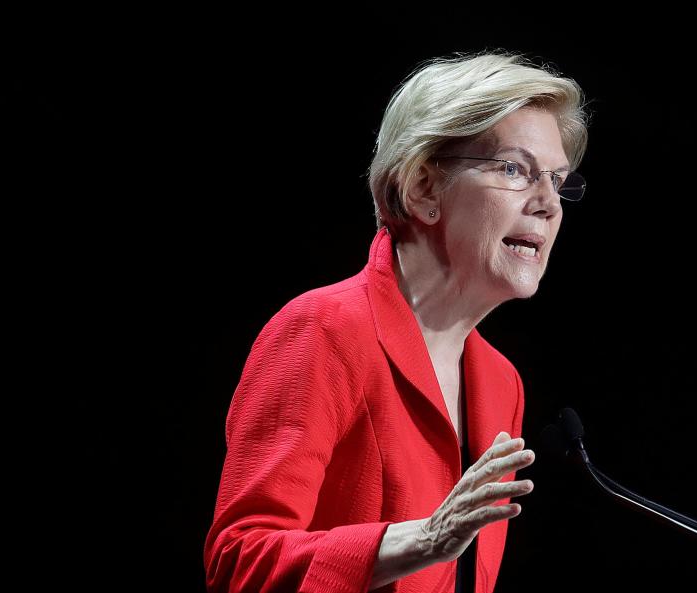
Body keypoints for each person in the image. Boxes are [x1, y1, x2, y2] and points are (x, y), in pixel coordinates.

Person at [203, 50, 590, 593]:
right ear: (422, 188)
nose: (549, 202)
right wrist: (421, 540)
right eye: (514, 169)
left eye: (557, 179)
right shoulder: (324, 331)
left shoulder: (502, 384)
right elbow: (238, 562)